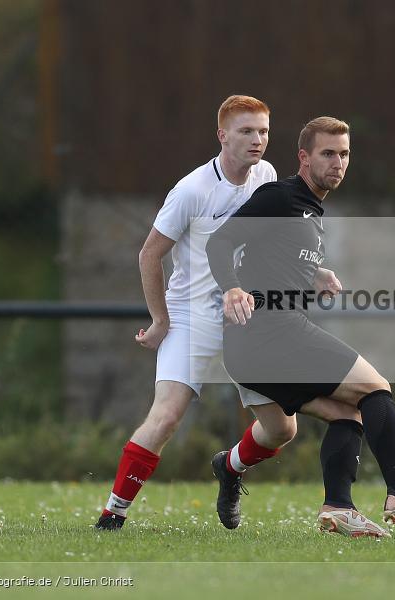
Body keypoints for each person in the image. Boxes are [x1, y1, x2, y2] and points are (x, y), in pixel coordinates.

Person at [205, 116, 395, 537]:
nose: (338, 163)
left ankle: (335, 505)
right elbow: (220, 241)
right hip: (271, 330)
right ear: (304, 157)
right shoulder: (279, 196)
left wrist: (315, 273)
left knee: (332, 416)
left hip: (250, 347)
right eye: (328, 153)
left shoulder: (310, 210)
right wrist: (231, 289)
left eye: (345, 154)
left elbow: (276, 255)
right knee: (375, 388)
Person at [95, 95, 280, 530]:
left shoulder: (267, 176)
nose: (257, 140)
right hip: (192, 316)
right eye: (246, 131)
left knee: (280, 431)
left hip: (243, 318)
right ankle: (112, 515)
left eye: (264, 131)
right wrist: (160, 320)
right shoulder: (192, 189)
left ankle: (230, 467)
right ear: (222, 136)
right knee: (166, 416)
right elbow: (149, 255)